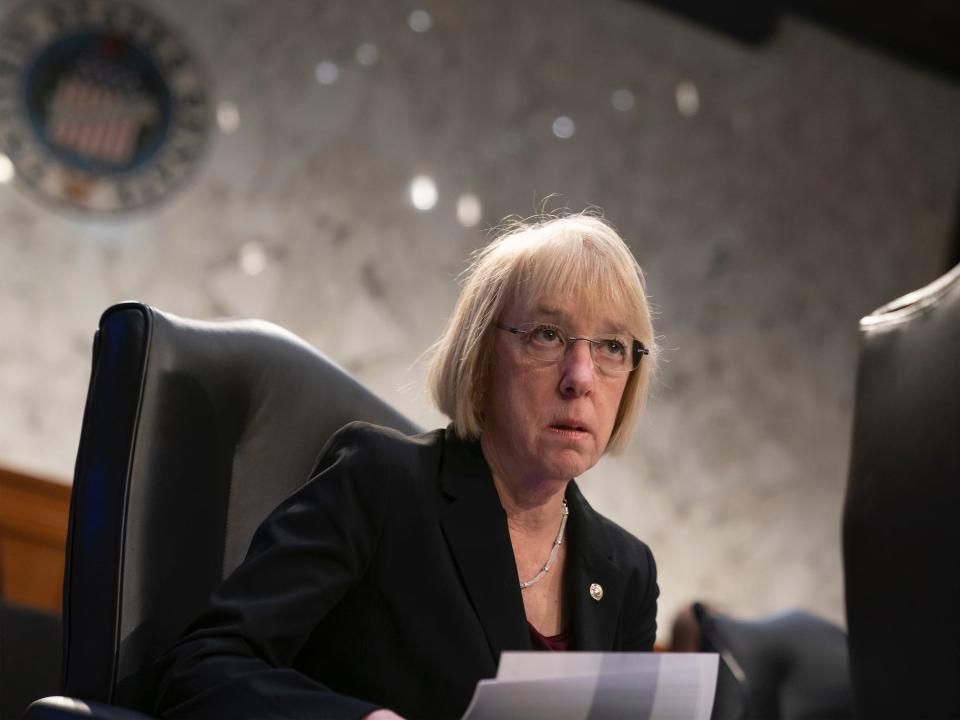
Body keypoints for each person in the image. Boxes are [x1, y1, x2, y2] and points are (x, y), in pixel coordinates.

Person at [154, 213, 660, 720]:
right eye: (548, 335)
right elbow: (201, 668)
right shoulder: (382, 484)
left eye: (612, 347)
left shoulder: (627, 572)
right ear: (482, 359)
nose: (580, 377)